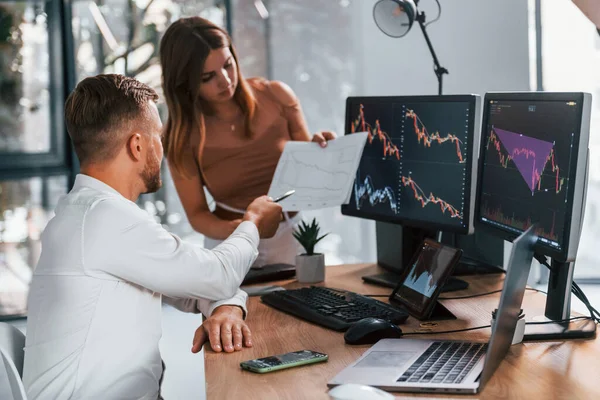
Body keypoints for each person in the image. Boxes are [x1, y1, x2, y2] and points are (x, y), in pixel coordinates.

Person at [22, 74, 283, 400]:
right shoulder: (104, 219)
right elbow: (216, 276)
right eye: (158, 136)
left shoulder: (83, 214)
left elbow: (195, 286)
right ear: (137, 145)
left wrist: (228, 308)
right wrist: (254, 223)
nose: (163, 148)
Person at [159, 17, 336, 267]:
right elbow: (197, 216)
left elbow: (309, 178)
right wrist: (246, 230)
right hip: (230, 246)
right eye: (207, 77)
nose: (224, 80)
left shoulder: (277, 95)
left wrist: (322, 149)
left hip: (291, 238)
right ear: (184, 83)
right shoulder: (182, 135)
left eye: (228, 65)